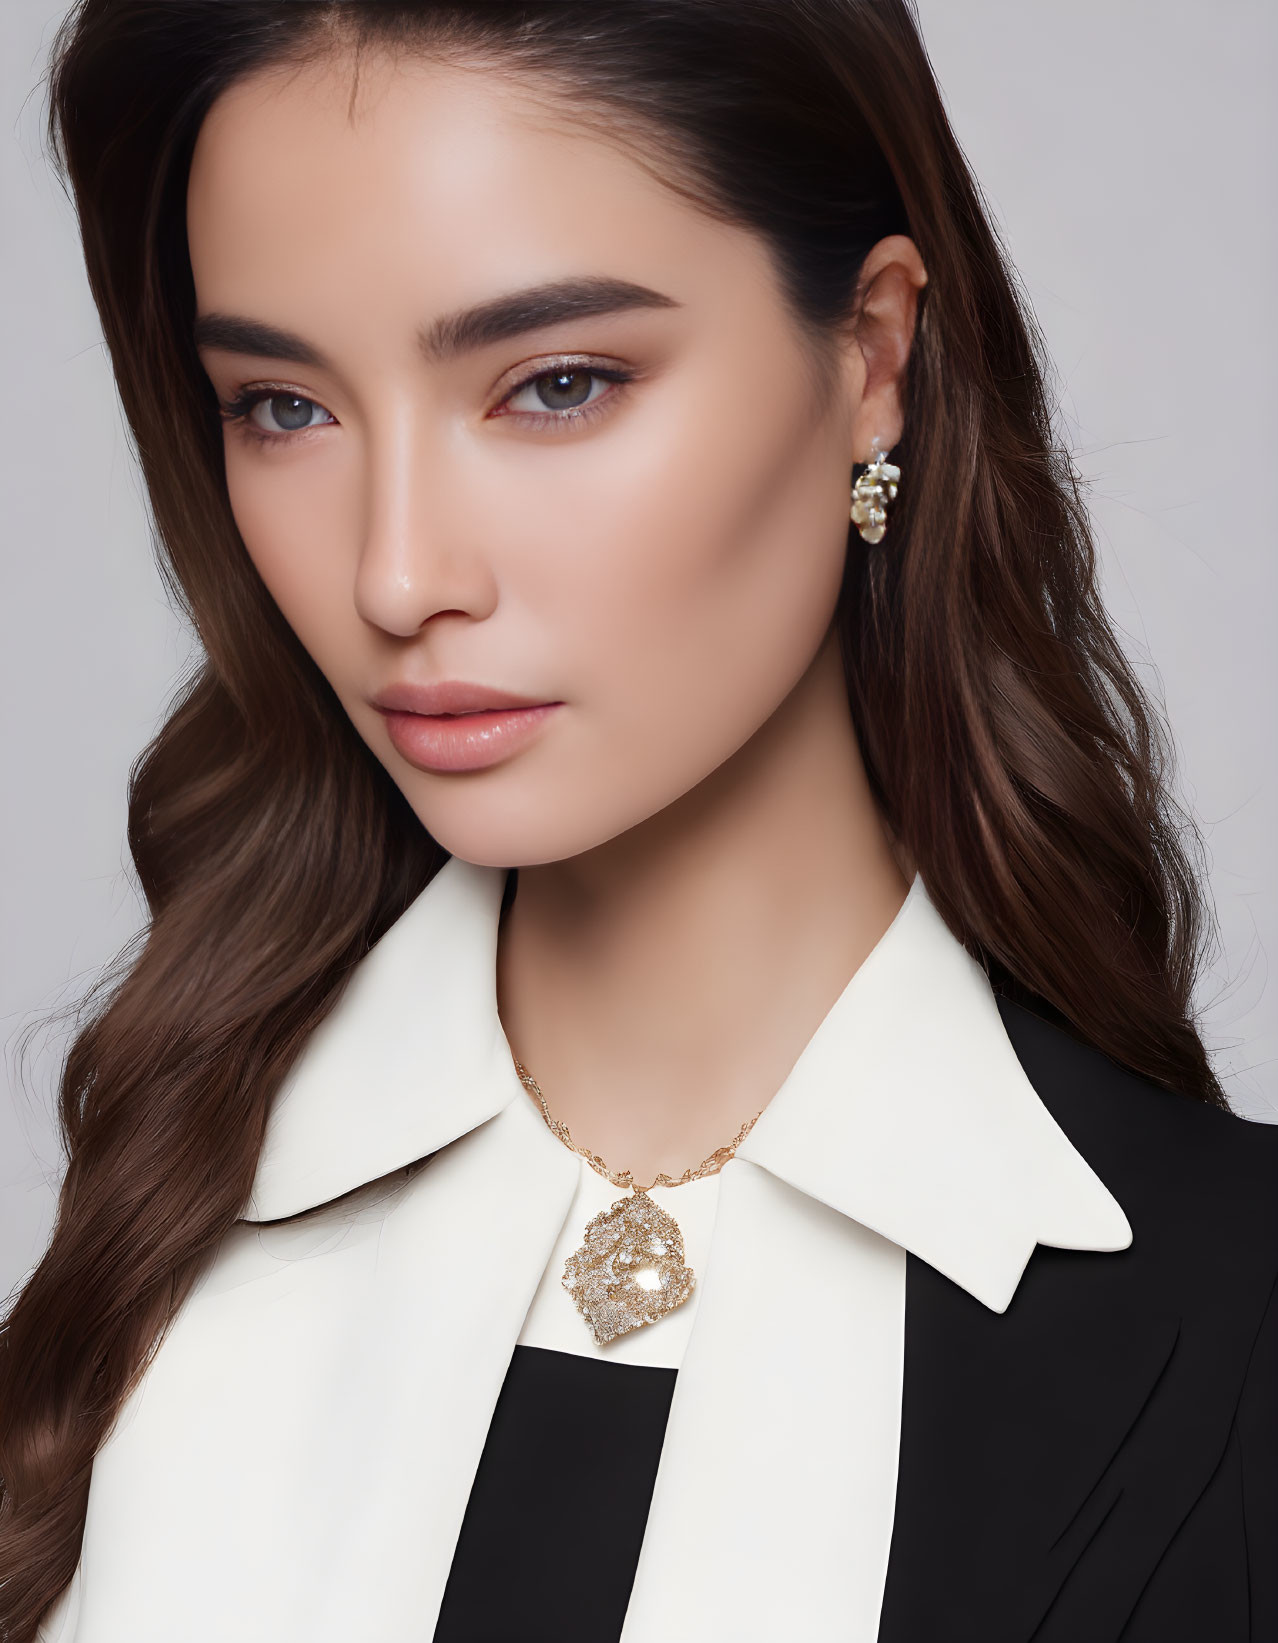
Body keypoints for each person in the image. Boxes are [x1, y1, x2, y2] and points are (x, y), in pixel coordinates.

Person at [3, 2, 1274, 1640]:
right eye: (283, 407)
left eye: (556, 385)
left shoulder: (1224, 1328)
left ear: (870, 356)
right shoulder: (169, 1222)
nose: (396, 574)